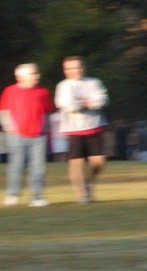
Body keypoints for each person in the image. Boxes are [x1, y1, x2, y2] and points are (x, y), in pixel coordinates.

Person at [0, 63, 55, 206]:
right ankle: (12, 195)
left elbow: (48, 111)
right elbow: (3, 111)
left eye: (37, 73)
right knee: (16, 166)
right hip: (16, 135)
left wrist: (45, 128)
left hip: (38, 136)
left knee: (38, 168)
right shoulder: (9, 91)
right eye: (33, 74)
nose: (37, 76)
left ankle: (37, 197)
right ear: (20, 76)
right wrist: (10, 128)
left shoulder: (43, 91)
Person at [55, 56, 109, 204]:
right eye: (71, 68)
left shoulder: (94, 82)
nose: (75, 70)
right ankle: (81, 194)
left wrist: (82, 102)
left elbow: (101, 101)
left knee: (99, 161)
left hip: (95, 126)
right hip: (74, 129)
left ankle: (89, 183)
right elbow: (66, 105)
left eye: (78, 67)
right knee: (76, 163)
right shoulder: (63, 86)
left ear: (84, 67)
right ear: (65, 70)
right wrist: (87, 102)